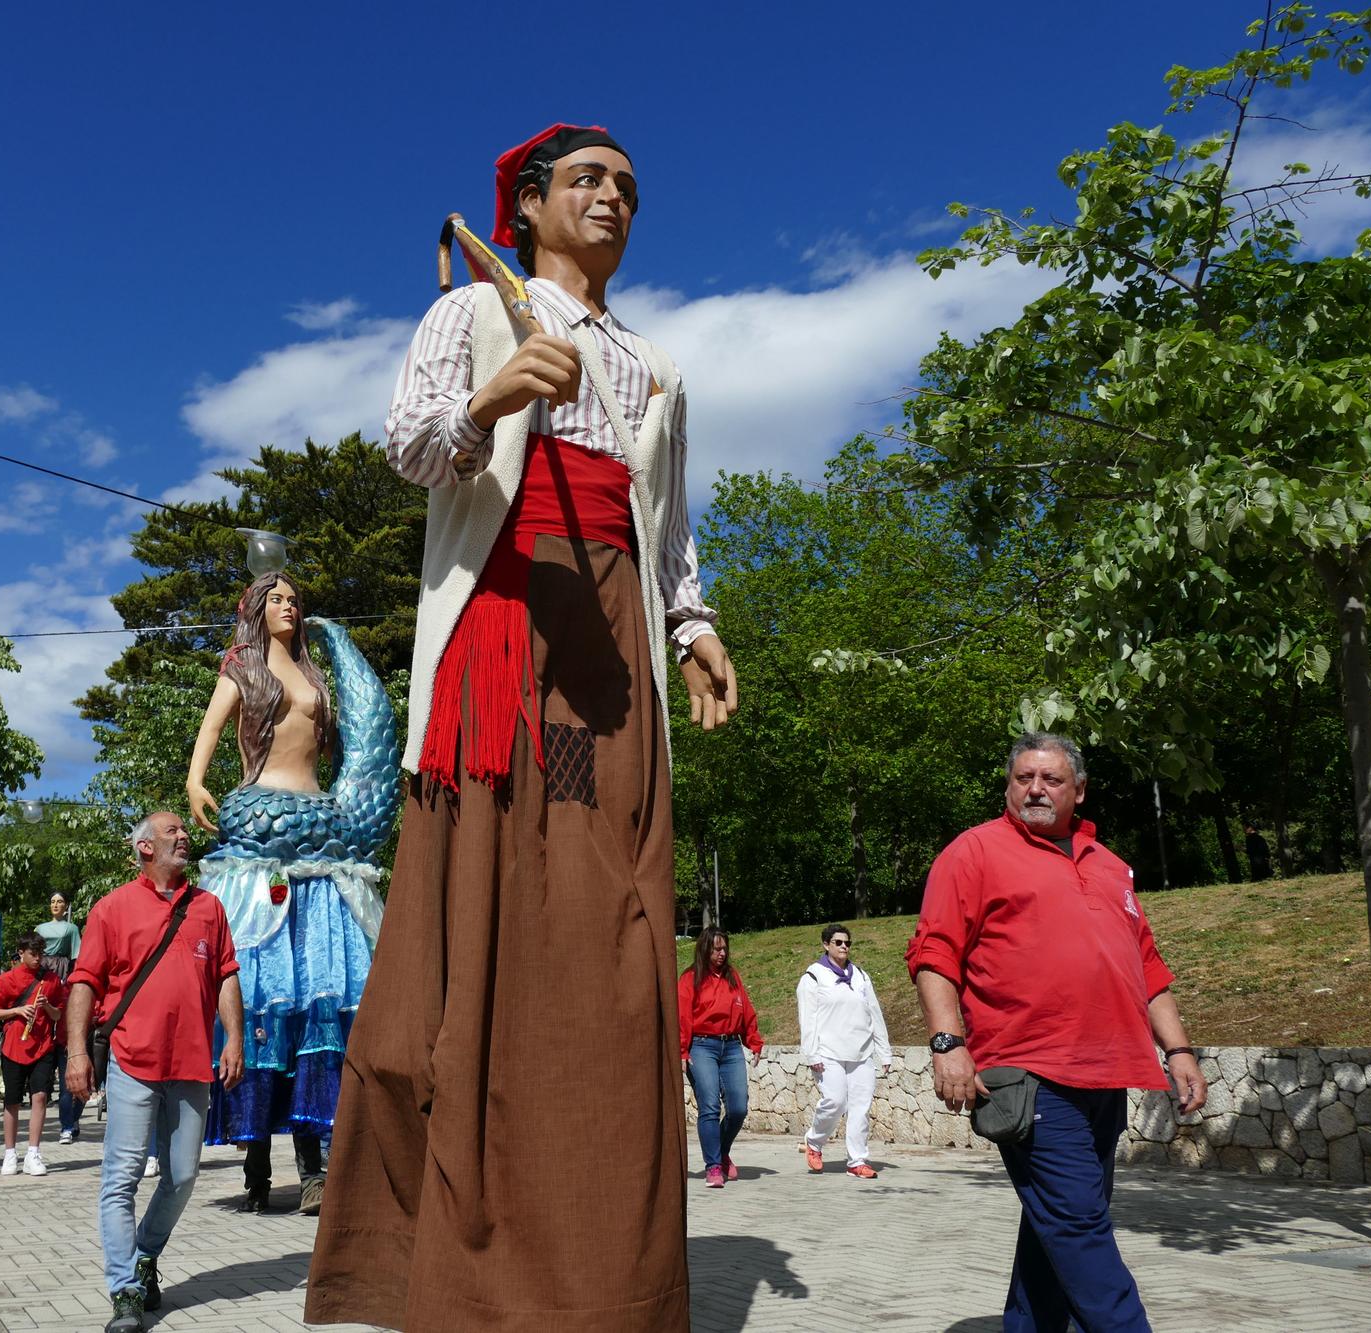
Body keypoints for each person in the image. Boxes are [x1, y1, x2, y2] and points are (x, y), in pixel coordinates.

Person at [308, 122, 738, 1332]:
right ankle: (464, 1263)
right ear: (528, 205)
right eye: (588, 181)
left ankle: (603, 1262)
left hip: (614, 648)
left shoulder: (653, 365)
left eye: (627, 188)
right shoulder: (474, 312)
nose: (611, 199)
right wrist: (494, 395)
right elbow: (407, 446)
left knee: (605, 928)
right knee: (510, 911)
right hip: (507, 631)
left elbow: (669, 527)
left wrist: (693, 628)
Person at [907, 733, 1210, 1333]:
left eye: (1050, 780)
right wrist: (948, 1043)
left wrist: (1177, 1049)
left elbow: (1148, 968)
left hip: (1109, 1072)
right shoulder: (973, 852)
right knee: (1078, 1226)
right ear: (1008, 785)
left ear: (1079, 790)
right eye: (1024, 778)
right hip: (1030, 1075)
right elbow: (934, 954)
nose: (1036, 790)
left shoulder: (1111, 866)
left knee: (1057, 1225)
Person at [188, 571, 397, 1217]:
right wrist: (197, 781)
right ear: (256, 607)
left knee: (318, 1005)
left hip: (321, 840)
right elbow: (212, 731)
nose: (288, 606)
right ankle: (255, 1159)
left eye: (294, 599)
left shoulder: (315, 676)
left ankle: (316, 1164)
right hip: (260, 837)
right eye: (277, 598)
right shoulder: (242, 669)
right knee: (261, 1000)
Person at [65, 810, 244, 1332]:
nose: (185, 837)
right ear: (145, 847)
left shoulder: (209, 907)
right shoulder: (112, 908)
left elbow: (227, 974)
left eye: (184, 832)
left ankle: (146, 1253)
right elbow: (84, 983)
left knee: (183, 1176)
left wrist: (232, 1037)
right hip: (132, 1061)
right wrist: (78, 1053)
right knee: (120, 1180)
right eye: (173, 832)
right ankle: (124, 1290)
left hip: (191, 1062)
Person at [797, 923, 892, 1179]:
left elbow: (874, 1013)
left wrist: (884, 1051)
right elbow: (808, 1020)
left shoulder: (860, 975)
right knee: (835, 1102)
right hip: (829, 1053)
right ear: (826, 944)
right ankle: (814, 1142)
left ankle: (857, 1161)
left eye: (847, 943)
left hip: (861, 1053)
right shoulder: (813, 977)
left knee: (860, 1108)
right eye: (838, 942)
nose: (843, 947)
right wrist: (812, 1054)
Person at [677, 929, 762, 1189]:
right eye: (716, 949)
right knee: (710, 1107)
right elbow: (682, 1016)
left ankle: (721, 1151)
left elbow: (745, 1009)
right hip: (702, 1047)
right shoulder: (690, 979)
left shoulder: (732, 977)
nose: (722, 953)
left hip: (732, 1047)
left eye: (724, 948)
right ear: (704, 950)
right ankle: (713, 1166)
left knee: (738, 1108)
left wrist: (754, 1040)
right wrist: (682, 1050)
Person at [0, 932, 66, 1177]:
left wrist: (47, 1006)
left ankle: (33, 1152)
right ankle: (10, 1153)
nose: (37, 959)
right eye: (33, 954)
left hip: (42, 1045)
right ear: (21, 953)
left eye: (40, 954)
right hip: (14, 1045)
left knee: (40, 1097)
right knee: (11, 1101)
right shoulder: (7, 979)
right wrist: (19, 1010)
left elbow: (58, 1015)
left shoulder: (51, 980)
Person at [36, 892, 86, 1145]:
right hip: (44, 967)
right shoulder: (40, 928)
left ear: (65, 906)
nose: (56, 905)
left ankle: (70, 1120)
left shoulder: (71, 928)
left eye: (60, 902)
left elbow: (76, 956)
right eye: (52, 901)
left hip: (63, 968)